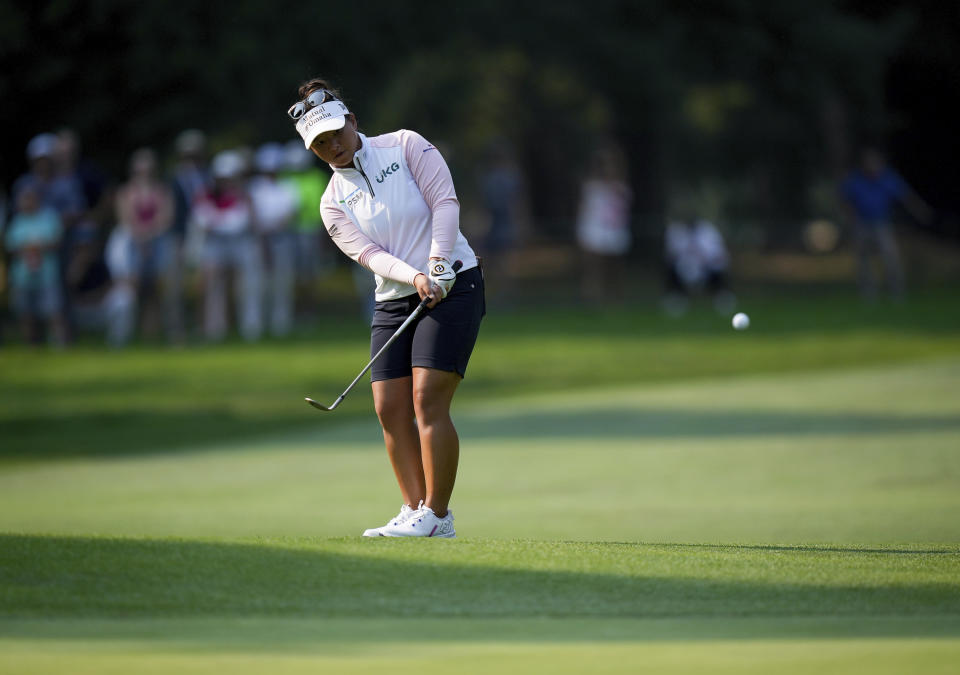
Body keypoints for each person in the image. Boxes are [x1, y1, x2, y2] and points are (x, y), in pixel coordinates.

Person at [289, 77, 485, 538]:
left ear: (353, 121)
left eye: (336, 132)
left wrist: (436, 264)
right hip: (396, 295)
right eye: (319, 143)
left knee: (426, 398)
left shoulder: (405, 145)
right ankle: (414, 507)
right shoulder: (332, 202)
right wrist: (414, 276)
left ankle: (437, 515)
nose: (332, 145)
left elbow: (445, 202)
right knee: (388, 406)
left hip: (455, 281)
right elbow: (369, 255)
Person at [105, 148, 183, 346]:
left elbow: (167, 217)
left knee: (157, 289)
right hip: (132, 242)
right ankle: (124, 334)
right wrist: (141, 236)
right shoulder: (126, 192)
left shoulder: (161, 190)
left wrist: (149, 234)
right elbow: (125, 218)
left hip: (158, 241)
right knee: (131, 286)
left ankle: (153, 334)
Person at [840, 147, 932, 300]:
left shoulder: (888, 178)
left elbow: (906, 197)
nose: (872, 166)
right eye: (868, 163)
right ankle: (868, 295)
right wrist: (849, 218)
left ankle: (897, 293)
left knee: (890, 258)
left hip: (882, 224)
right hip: (862, 224)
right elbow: (844, 200)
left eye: (874, 163)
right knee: (864, 261)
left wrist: (921, 210)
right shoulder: (855, 180)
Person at [4, 184, 66, 346]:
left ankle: (59, 345)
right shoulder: (17, 222)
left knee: (53, 312)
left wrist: (39, 247)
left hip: (47, 275)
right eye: (23, 199)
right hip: (22, 276)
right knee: (26, 315)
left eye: (29, 198)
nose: (26, 202)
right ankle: (31, 347)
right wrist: (27, 248)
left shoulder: (49, 218)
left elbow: (58, 242)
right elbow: (10, 248)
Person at [249, 143, 299, 337]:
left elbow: (290, 213)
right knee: (256, 283)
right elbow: (252, 212)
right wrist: (262, 230)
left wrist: (273, 227)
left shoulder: (288, 186)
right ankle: (254, 325)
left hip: (280, 238)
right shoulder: (255, 187)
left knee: (282, 282)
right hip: (258, 239)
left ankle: (281, 324)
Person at [575, 145, 632, 303]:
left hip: (614, 230)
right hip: (594, 231)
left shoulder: (620, 187)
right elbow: (585, 211)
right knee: (593, 267)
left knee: (614, 268)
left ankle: (614, 299)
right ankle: (592, 299)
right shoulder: (591, 187)